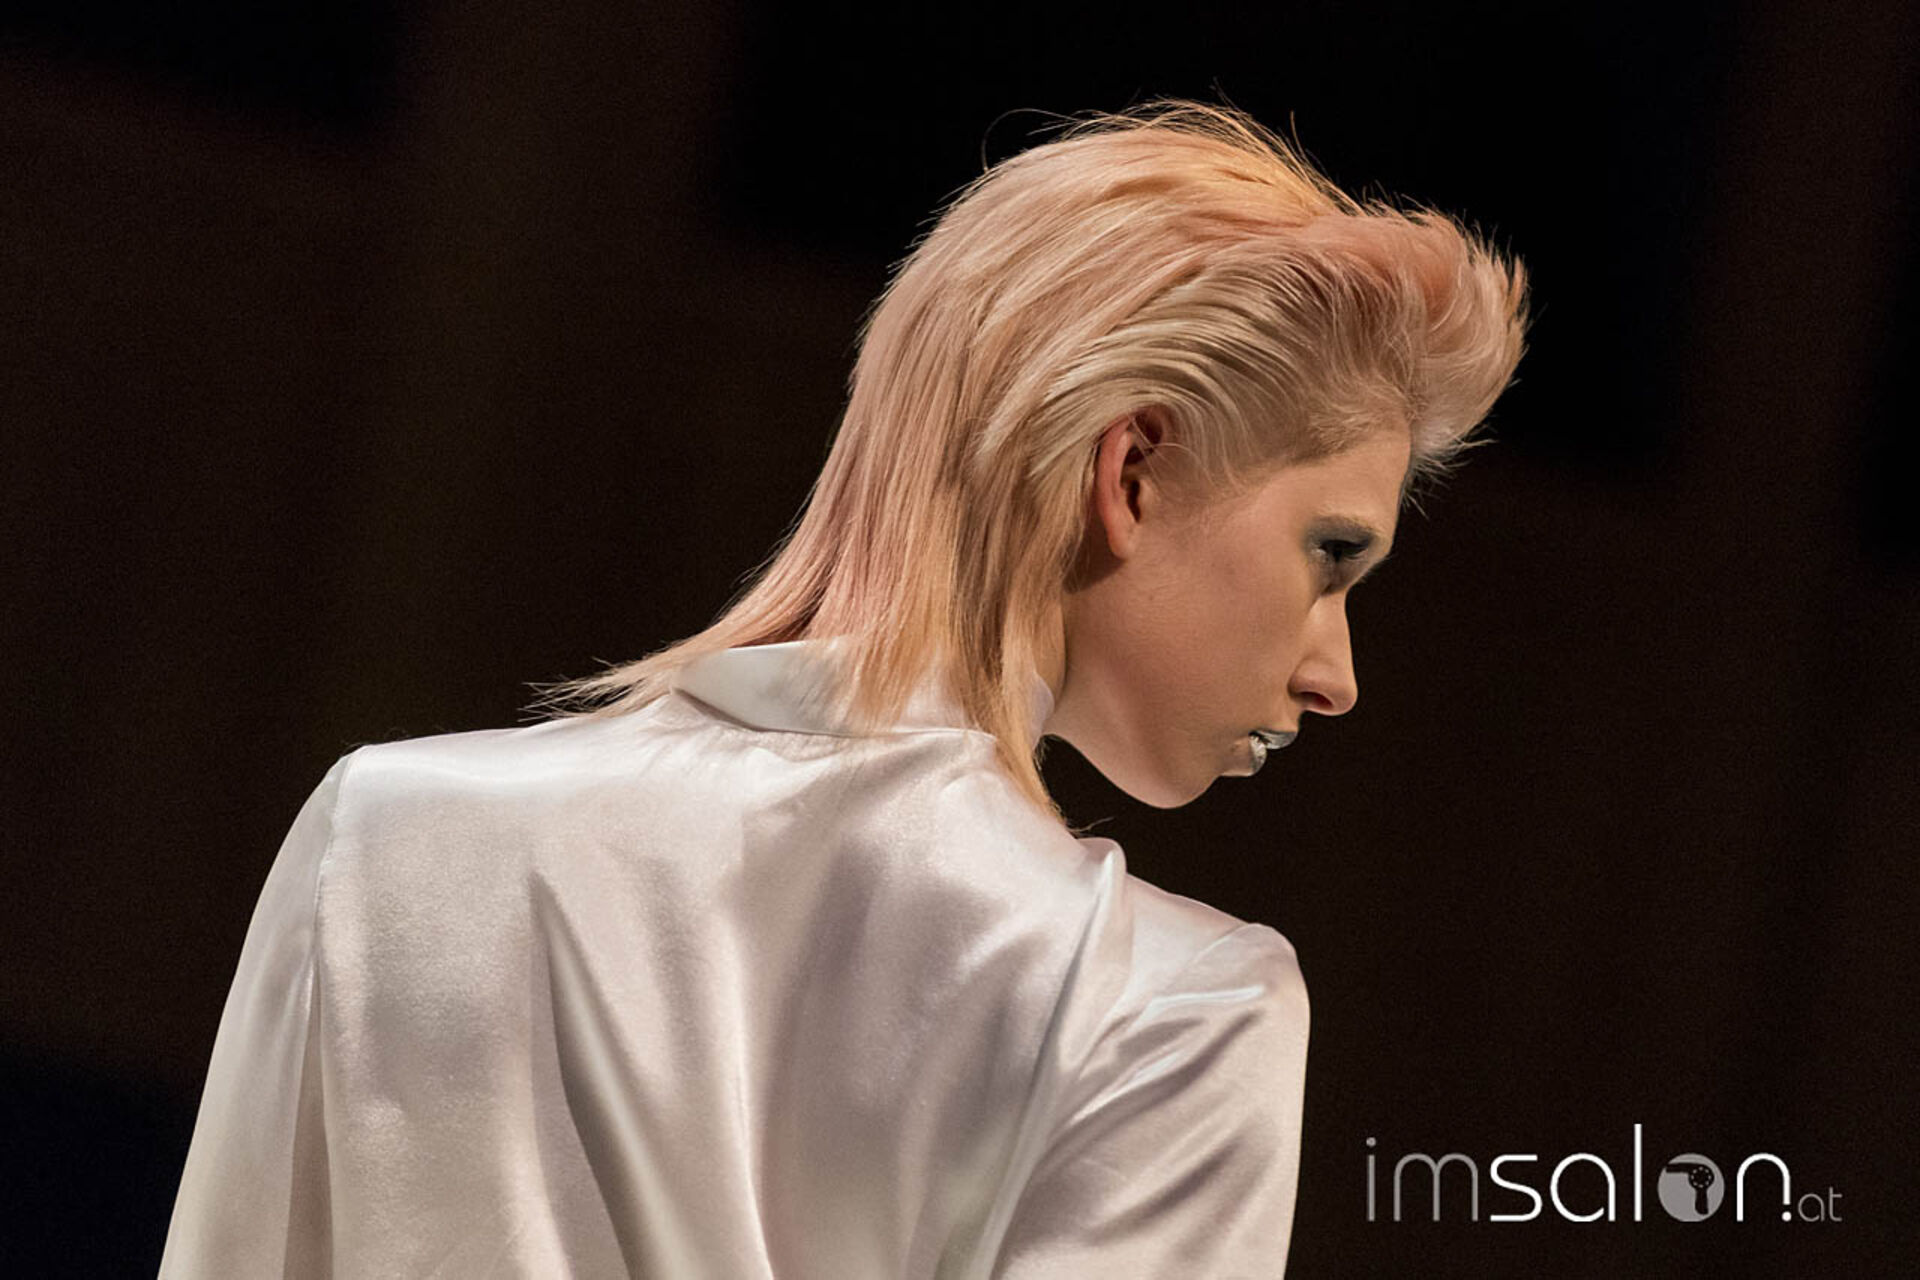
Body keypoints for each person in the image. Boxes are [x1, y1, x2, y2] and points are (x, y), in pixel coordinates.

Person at [160, 99, 1526, 1277]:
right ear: (1135, 469)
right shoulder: (1171, 1013)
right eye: (1331, 556)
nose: (1335, 677)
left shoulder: (386, 830)